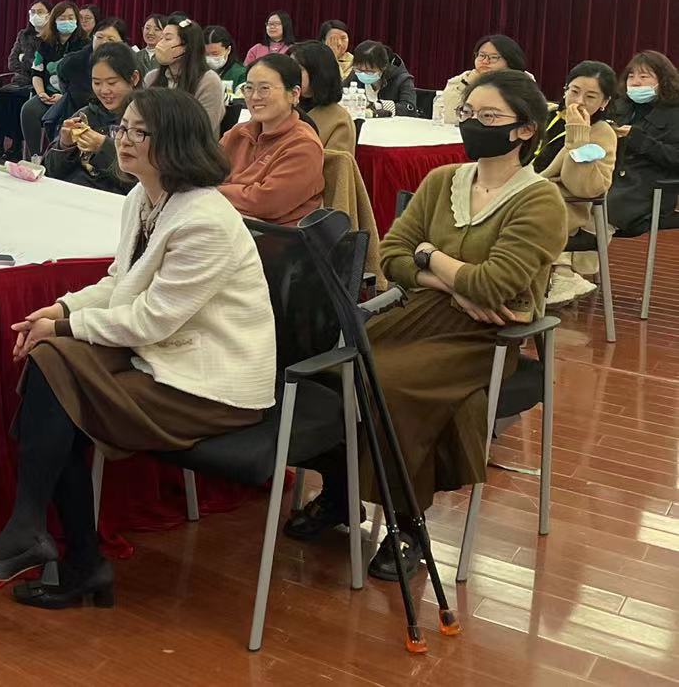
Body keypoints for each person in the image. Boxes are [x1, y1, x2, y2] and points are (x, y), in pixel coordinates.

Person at [0, 88, 274, 608]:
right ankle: (47, 538)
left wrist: (66, 329)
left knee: (60, 379)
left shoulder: (205, 220)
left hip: (211, 384)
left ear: (175, 142)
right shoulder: (143, 199)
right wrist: (59, 310)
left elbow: (152, 319)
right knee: (52, 365)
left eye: (139, 132)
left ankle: (67, 551)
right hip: (165, 355)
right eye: (123, 128)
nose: (123, 140)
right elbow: (119, 282)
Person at [286, 71, 564, 581]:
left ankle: (407, 523)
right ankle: (340, 492)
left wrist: (430, 255)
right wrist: (452, 281)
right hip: (418, 314)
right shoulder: (443, 181)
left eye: (488, 117)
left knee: (390, 386)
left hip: (482, 335)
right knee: (332, 371)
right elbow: (392, 256)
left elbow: (494, 286)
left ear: (524, 129)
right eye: (468, 113)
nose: (473, 124)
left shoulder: (539, 200)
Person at [538, 61, 618, 307]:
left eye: (590, 96)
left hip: (569, 204)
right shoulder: (548, 115)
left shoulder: (602, 132)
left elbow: (583, 188)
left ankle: (560, 275)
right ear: (565, 89)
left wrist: (578, 136)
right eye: (574, 91)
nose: (579, 101)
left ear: (604, 102)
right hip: (533, 189)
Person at [218, 52, 325, 227]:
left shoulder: (303, 144)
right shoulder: (238, 133)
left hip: (273, 236)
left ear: (294, 94)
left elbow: (264, 203)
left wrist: (213, 192)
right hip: (228, 223)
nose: (254, 97)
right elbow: (204, 175)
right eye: (249, 88)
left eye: (264, 88)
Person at [41, 43, 141, 193]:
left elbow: (142, 183)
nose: (104, 90)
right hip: (72, 194)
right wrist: (64, 145)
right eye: (97, 82)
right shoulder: (85, 115)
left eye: (112, 82)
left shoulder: (146, 121)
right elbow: (49, 172)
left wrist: (104, 147)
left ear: (134, 78)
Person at [606, 50, 679, 237]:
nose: (635, 82)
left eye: (644, 76)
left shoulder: (674, 113)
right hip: (610, 178)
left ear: (663, 80)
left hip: (648, 187)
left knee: (600, 211)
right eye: (631, 76)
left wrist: (638, 139)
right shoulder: (619, 107)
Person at [22, 2, 89, 159]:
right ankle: (35, 157)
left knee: (58, 118)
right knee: (28, 110)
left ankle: (56, 157)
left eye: (70, 18)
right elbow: (36, 72)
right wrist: (41, 93)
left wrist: (63, 97)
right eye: (62, 18)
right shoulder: (45, 44)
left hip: (71, 98)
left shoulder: (85, 45)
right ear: (54, 21)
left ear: (77, 20)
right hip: (48, 95)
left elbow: (84, 80)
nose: (66, 21)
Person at [0, 0, 50, 162]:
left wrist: (25, 59)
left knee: (18, 102)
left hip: (38, 84)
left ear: (49, 15)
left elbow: (44, 67)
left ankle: (16, 146)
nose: (36, 15)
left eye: (40, 12)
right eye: (33, 12)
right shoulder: (24, 35)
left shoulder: (50, 38)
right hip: (19, 81)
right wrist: (29, 64)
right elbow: (12, 62)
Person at [143, 15, 225, 129]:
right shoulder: (151, 78)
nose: (160, 44)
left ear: (186, 46)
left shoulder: (209, 81)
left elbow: (203, 128)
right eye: (161, 38)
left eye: (167, 39)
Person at [438, 35, 529, 120]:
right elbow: (450, 117)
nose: (485, 61)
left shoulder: (524, 82)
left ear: (510, 60)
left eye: (493, 57)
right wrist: (468, 84)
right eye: (481, 55)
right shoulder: (461, 81)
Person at [290, 39, 354, 155]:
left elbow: (338, 163)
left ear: (318, 73)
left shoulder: (339, 119)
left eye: (298, 69)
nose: (290, 75)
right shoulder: (282, 107)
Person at [351, 40, 418, 116]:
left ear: (383, 67)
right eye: (359, 69)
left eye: (369, 71)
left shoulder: (403, 80)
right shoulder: (357, 74)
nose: (363, 74)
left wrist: (377, 106)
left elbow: (409, 109)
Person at [204, 26, 247, 91]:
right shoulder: (196, 72)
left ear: (228, 50)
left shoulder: (240, 74)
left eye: (215, 54)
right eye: (206, 54)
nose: (210, 58)